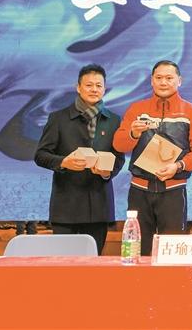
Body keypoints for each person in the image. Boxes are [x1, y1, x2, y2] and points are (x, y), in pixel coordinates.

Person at [113, 60, 192, 256]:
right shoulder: (137, 109)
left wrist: (179, 166)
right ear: (151, 81)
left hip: (174, 191)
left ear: (179, 81)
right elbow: (118, 145)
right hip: (139, 191)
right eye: (159, 78)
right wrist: (133, 133)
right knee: (137, 251)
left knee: (172, 252)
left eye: (169, 78)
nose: (163, 82)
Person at [34, 64, 125, 254]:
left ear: (104, 88)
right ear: (78, 87)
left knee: (92, 263)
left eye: (99, 85)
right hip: (66, 206)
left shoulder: (114, 121)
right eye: (89, 85)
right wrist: (63, 162)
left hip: (98, 206)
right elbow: (40, 155)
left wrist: (107, 172)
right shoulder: (58, 118)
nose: (94, 89)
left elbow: (119, 158)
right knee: (64, 264)